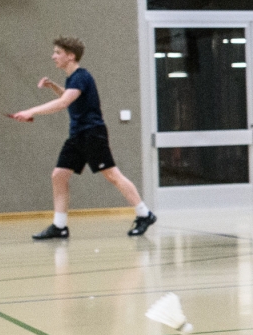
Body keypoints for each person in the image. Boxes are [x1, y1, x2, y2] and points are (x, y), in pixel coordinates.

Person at [14, 37, 156, 240]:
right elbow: (70, 97)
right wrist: (54, 87)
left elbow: (64, 103)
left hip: (92, 134)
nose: (53, 56)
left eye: (57, 52)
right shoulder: (72, 79)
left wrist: (30, 111)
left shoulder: (81, 76)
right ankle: (59, 226)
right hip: (77, 135)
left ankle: (145, 214)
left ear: (70, 56)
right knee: (59, 175)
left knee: (112, 176)